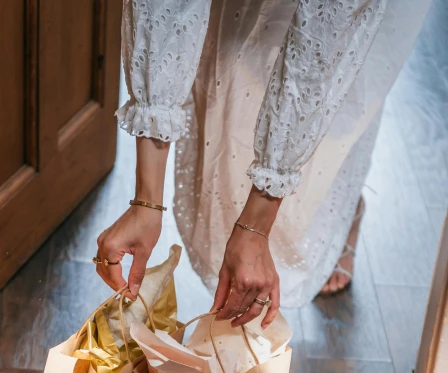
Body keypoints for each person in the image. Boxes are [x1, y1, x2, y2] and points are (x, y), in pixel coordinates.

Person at [96, 0, 431, 327]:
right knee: (228, 104)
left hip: (334, 23)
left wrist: (255, 228)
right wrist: (146, 202)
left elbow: (325, 39)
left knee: (331, 124)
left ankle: (344, 208)